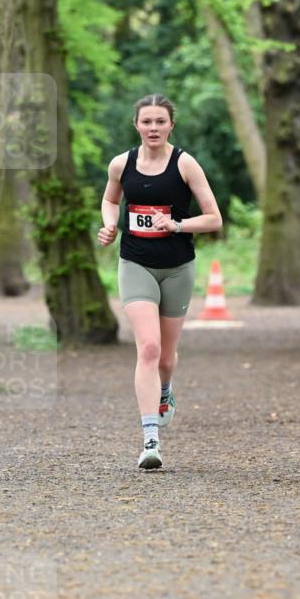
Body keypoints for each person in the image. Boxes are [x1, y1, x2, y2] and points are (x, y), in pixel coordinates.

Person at [98, 94, 223, 470]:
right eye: (147, 121)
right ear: (136, 124)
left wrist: (177, 225)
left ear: (171, 125)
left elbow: (214, 218)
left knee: (166, 358)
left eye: (160, 122)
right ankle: (150, 439)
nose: (153, 128)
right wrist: (109, 224)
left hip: (177, 268)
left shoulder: (185, 164)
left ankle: (165, 392)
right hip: (135, 264)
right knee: (149, 348)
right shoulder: (121, 163)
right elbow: (110, 200)